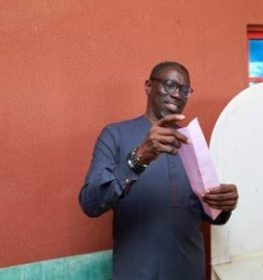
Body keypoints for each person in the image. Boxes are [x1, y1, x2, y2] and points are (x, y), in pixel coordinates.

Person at [79, 61, 239, 280]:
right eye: (169, 85)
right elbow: (91, 203)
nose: (177, 94)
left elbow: (207, 213)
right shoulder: (115, 135)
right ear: (148, 87)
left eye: (184, 90)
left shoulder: (193, 141)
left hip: (189, 272)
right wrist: (139, 157)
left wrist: (225, 205)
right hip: (135, 272)